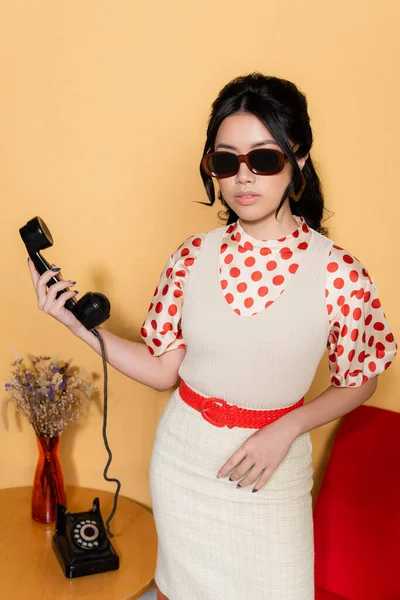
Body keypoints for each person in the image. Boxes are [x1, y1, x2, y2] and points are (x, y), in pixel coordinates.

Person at [28, 73, 397, 600]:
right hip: (184, 462)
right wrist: (74, 322)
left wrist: (284, 429)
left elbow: (362, 380)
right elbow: (162, 370)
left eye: (264, 159)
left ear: (299, 162)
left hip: (270, 474)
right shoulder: (191, 256)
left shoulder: (338, 273)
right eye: (226, 162)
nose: (243, 178)